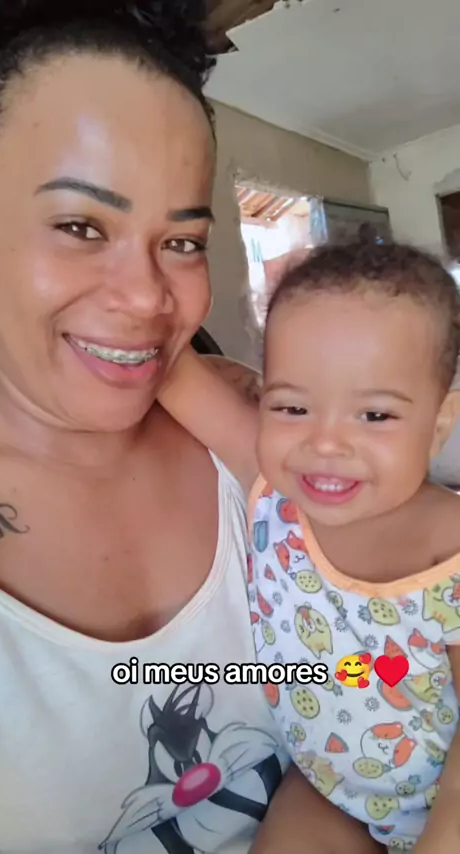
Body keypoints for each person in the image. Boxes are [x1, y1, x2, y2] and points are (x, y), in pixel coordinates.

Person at [0, 2, 384, 853]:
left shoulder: (248, 431)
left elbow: (403, 627)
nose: (147, 298)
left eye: (183, 242)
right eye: (81, 227)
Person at [159, 242, 460, 854]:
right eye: (293, 406)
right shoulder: (274, 491)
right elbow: (167, 366)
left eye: (374, 416)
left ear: (439, 424)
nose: (325, 443)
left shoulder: (449, 552)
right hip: (325, 789)